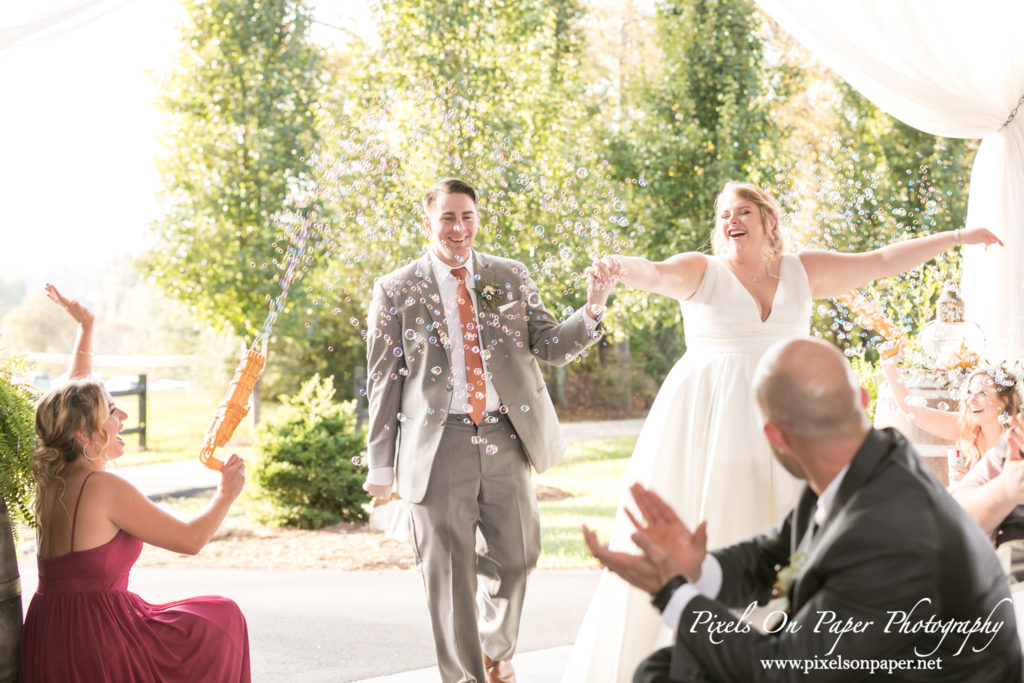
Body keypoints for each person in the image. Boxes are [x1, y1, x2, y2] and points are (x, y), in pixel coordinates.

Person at [565, 180, 1004, 681]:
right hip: (710, 425)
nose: (731, 219)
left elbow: (880, 260)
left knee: (796, 535)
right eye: (724, 213)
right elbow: (655, 273)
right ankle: (695, 639)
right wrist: (619, 268)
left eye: (744, 210)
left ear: (768, 221)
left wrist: (957, 236)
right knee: (727, 524)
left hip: (796, 422)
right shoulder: (702, 272)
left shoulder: (803, 270)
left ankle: (796, 642)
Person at [585, 337, 1021, 682]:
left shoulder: (884, 531)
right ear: (863, 401)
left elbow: (785, 672)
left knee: (669, 671)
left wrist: (672, 592)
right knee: (669, 667)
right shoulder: (868, 460)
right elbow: (773, 555)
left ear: (774, 436)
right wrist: (697, 569)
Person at [362, 178, 611, 682]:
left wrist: (593, 307)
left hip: (506, 437)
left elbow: (551, 346)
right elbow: (382, 381)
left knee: (518, 557)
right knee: (447, 576)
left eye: (468, 216)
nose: (459, 228)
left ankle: (494, 652)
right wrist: (381, 466)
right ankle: (466, 676)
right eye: (449, 217)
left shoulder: (510, 275)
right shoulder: (396, 288)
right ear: (427, 222)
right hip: (436, 447)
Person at [19, 284, 251, 682]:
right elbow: (191, 540)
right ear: (85, 435)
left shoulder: (51, 474)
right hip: (99, 638)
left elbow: (70, 398)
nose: (123, 415)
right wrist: (225, 495)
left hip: (49, 631)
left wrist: (86, 328)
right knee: (222, 617)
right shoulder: (104, 487)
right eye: (111, 411)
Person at [881, 355, 1021, 483]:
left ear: (1003, 401)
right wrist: (888, 365)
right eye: (969, 392)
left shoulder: (1018, 440)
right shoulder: (970, 428)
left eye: (982, 393)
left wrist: (971, 483)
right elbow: (915, 412)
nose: (970, 400)